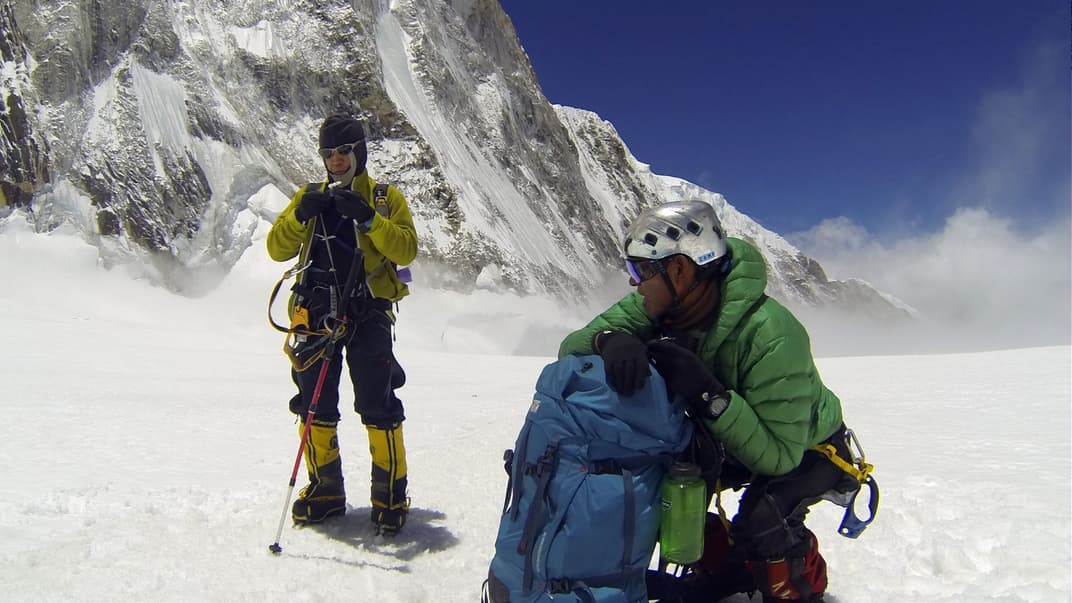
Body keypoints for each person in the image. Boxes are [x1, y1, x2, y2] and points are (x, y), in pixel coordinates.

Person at [558, 200, 859, 602]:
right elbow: (569, 350)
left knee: (764, 517)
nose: (634, 283)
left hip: (808, 445)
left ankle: (800, 585)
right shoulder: (659, 304)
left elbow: (778, 457)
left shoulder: (772, 334)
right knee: (669, 484)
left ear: (679, 269)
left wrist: (708, 395)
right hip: (733, 435)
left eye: (639, 270)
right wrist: (608, 340)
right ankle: (727, 566)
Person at [267, 114, 418, 536]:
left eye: (343, 151)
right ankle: (326, 491)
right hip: (315, 314)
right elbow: (277, 248)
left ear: (359, 152)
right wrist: (299, 216)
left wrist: (369, 219)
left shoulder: (385, 198)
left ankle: (389, 496)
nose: (335, 160)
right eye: (328, 153)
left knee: (378, 404)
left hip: (368, 313)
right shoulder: (308, 197)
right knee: (314, 404)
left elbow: (406, 247)